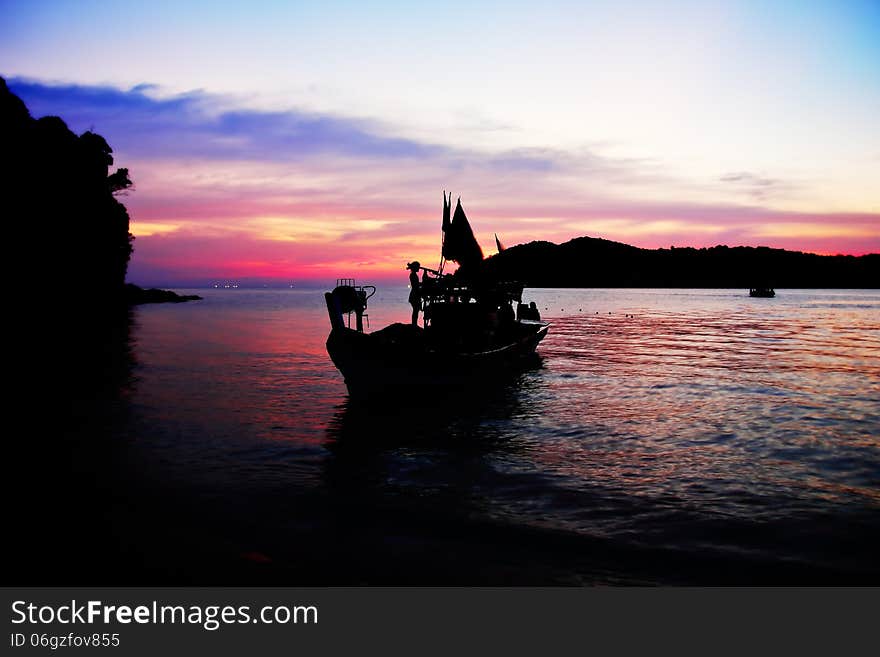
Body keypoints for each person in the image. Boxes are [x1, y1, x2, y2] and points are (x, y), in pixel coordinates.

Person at [406, 261, 421, 325]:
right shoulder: (413, 275)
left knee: (416, 310)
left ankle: (414, 324)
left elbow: (416, 284)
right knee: (416, 310)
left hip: (414, 295)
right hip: (414, 295)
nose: (419, 268)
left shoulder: (413, 275)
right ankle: (414, 324)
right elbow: (415, 285)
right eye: (418, 267)